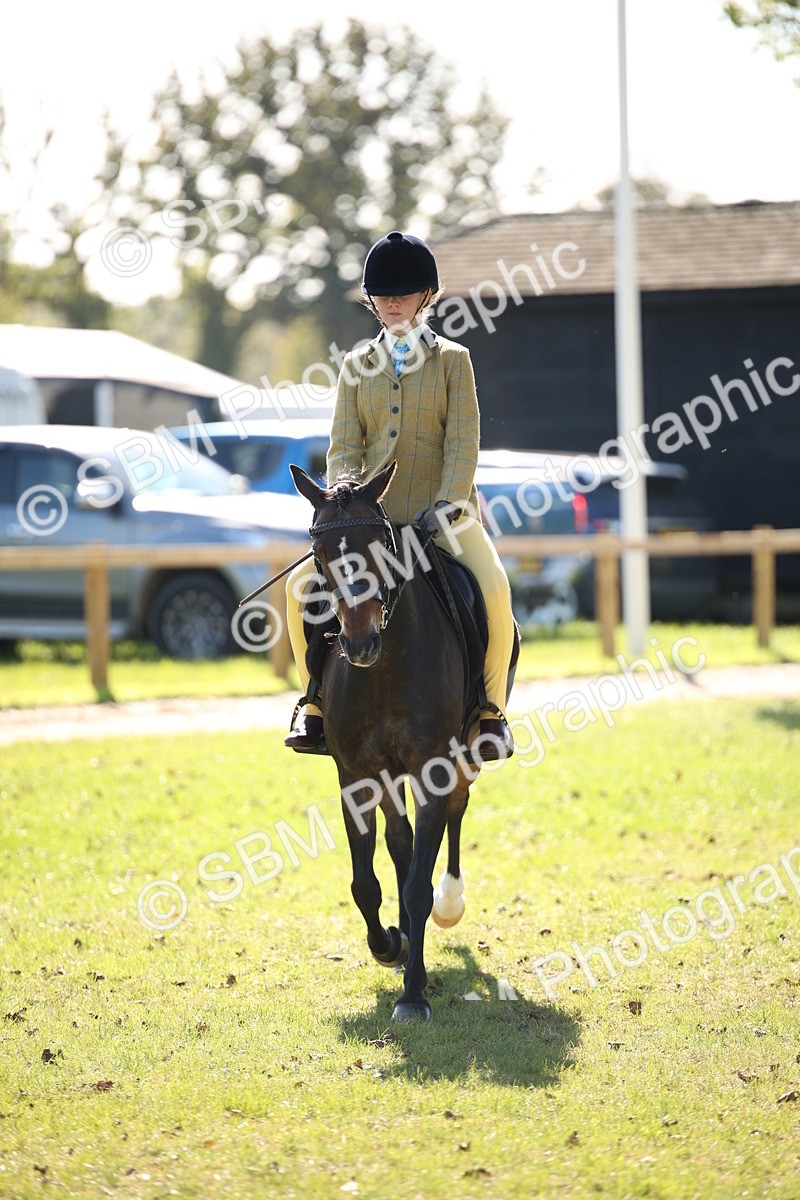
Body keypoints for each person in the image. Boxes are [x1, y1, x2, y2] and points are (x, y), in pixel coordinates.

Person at [283, 229, 516, 759]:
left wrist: (448, 502)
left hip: (443, 516)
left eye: (403, 293)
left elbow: (463, 441)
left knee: (497, 592)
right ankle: (314, 705)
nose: (392, 302)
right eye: (383, 294)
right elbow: (343, 446)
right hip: (372, 527)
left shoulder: (453, 361)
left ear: (426, 297)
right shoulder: (354, 366)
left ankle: (491, 714)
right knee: (299, 589)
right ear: (371, 300)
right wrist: (345, 496)